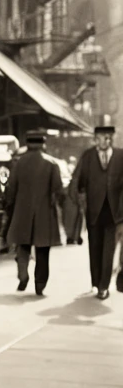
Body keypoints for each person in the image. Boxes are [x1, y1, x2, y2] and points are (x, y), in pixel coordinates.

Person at [3, 130, 63, 296]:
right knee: (43, 251)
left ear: (27, 144)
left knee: (23, 245)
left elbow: (11, 188)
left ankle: (23, 275)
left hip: (22, 211)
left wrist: (10, 206)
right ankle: (40, 284)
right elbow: (58, 188)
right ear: (43, 144)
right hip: (44, 213)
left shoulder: (19, 164)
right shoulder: (52, 164)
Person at [68, 123, 123, 300]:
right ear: (95, 139)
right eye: (100, 138)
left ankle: (103, 286)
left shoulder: (121, 156)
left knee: (109, 250)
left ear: (111, 139)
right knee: (95, 249)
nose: (104, 141)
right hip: (93, 212)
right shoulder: (88, 157)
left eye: (107, 138)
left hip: (115, 213)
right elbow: (76, 181)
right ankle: (96, 281)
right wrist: (79, 202)